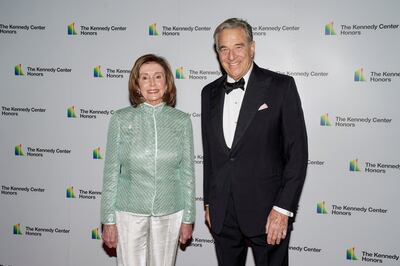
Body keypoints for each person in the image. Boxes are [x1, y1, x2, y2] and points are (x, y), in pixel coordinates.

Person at [201, 18, 308, 266]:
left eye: (238, 46)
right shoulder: (209, 93)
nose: (231, 56)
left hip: (269, 212)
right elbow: (211, 155)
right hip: (223, 212)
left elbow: (297, 153)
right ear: (217, 53)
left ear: (252, 47)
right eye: (223, 49)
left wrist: (282, 209)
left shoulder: (280, 87)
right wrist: (208, 201)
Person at [100, 54, 195, 266]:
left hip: (170, 212)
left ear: (167, 82)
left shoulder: (182, 121)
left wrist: (188, 218)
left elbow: (187, 173)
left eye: (158, 76)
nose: (152, 83)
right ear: (136, 84)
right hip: (128, 214)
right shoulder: (121, 119)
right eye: (145, 77)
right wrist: (108, 220)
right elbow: (111, 173)